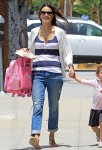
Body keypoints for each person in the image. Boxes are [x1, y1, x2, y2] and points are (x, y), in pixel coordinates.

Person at [28, 3, 75, 149]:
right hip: (37, 74)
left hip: (55, 74)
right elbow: (30, 52)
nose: (46, 15)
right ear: (40, 15)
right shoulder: (34, 32)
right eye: (43, 13)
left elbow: (67, 51)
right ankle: (36, 136)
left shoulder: (60, 32)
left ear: (52, 15)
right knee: (37, 105)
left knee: (53, 107)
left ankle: (52, 137)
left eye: (49, 13)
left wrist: (70, 66)